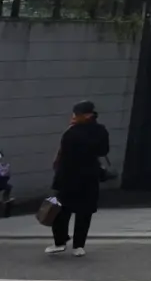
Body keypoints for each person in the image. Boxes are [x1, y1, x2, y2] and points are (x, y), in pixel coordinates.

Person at [46, 100, 109, 257]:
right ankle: (78, 245)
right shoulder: (100, 130)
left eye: (76, 114)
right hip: (89, 176)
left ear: (86, 115)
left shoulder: (72, 132)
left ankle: (60, 242)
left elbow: (64, 155)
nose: (73, 117)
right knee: (84, 212)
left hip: (69, 176)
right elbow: (103, 150)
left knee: (62, 211)